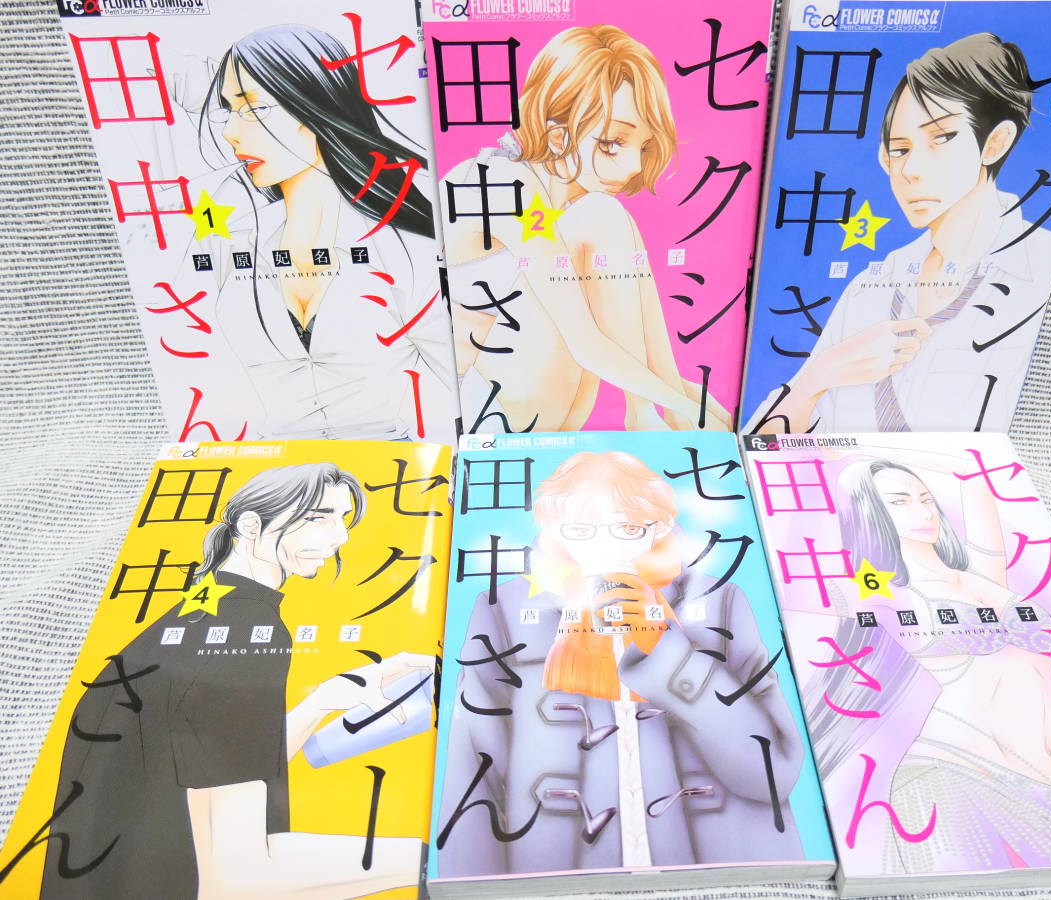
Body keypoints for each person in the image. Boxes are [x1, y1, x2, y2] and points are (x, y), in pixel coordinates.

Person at [41, 464, 432, 899]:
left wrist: (322, 701)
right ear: (250, 525)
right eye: (318, 517)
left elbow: (215, 759)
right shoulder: (247, 629)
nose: (341, 536)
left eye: (343, 518)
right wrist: (433, 862)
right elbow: (237, 879)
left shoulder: (194, 614)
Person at [436, 452, 803, 875]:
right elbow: (471, 769)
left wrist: (665, 648)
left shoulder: (718, 600)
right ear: (552, 529)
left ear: (660, 525)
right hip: (553, 871)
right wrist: (472, 881)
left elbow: (774, 771)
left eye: (628, 528)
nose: (605, 546)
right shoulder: (505, 608)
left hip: (721, 869)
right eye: (580, 529)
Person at [804, 446, 1051, 872]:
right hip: (954, 775)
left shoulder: (983, 574)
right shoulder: (884, 590)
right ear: (870, 513)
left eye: (926, 499)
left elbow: (969, 473)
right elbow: (816, 594)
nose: (923, 512)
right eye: (900, 502)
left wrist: (868, 449)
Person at [748, 33, 1051, 434]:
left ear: (995, 143)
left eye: (941, 139)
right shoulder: (871, 289)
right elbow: (760, 442)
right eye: (899, 150)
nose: (910, 170)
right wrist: (820, 375)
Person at [441, 25, 730, 432]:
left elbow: (638, 330)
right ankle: (645, 416)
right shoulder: (503, 183)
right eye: (613, 143)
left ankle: (650, 415)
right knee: (602, 217)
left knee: (606, 218)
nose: (633, 166)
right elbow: (585, 343)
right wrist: (680, 403)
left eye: (644, 146)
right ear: (557, 135)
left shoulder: (571, 207)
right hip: (470, 416)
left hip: (518, 409)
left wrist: (680, 400)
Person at [194, 25, 455, 441]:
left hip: (391, 461)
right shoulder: (235, 238)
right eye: (229, 109)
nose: (229, 132)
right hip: (274, 464)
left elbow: (468, 380)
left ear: (315, 107)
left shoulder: (402, 246)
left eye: (253, 108)